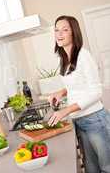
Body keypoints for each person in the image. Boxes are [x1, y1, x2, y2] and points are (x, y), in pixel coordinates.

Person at [47, 15, 110, 173]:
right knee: (91, 169)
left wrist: (66, 110)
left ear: (73, 33)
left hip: (95, 120)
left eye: (65, 30)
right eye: (56, 30)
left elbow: (96, 91)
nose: (59, 34)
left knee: (107, 167)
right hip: (80, 121)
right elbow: (78, 85)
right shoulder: (65, 58)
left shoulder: (83, 55)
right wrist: (60, 92)